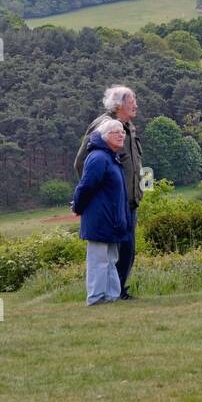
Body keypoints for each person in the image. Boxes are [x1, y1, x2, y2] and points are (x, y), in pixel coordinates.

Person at [76, 85, 143, 299]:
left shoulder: (128, 127)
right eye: (132, 100)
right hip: (112, 204)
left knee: (126, 250)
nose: (136, 104)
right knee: (109, 252)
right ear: (118, 104)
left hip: (129, 201)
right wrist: (97, 196)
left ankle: (117, 291)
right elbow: (81, 163)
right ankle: (106, 295)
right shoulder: (104, 127)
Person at [72, 118, 131, 305]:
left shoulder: (111, 158)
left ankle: (111, 296)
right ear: (105, 137)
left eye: (122, 132)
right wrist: (77, 207)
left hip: (112, 220)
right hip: (99, 219)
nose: (122, 135)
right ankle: (96, 298)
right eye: (117, 132)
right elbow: (86, 186)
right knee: (99, 260)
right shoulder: (98, 157)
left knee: (111, 259)